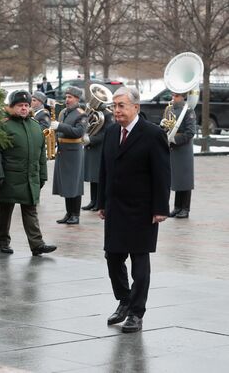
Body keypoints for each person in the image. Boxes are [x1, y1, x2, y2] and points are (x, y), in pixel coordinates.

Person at [98, 86, 170, 333]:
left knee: (140, 263)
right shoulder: (110, 132)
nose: (116, 111)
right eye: (114, 106)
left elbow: (162, 174)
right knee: (113, 257)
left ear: (136, 107)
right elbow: (104, 170)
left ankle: (137, 313)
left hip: (142, 210)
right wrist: (101, 202)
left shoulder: (152, 134)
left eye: (121, 106)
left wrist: (161, 208)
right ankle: (125, 300)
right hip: (115, 208)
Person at [0, 90, 56, 256]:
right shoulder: (3, 125)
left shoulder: (35, 126)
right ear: (12, 106)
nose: (23, 108)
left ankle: (37, 244)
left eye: (26, 105)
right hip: (9, 177)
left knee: (30, 210)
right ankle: (2, 241)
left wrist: (43, 175)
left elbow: (40, 155)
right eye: (19, 105)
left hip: (30, 177)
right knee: (5, 210)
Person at [51, 86, 87, 225]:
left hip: (74, 153)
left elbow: (78, 132)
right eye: (66, 97)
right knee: (66, 184)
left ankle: (75, 215)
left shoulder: (81, 114)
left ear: (77, 99)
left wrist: (59, 127)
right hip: (63, 151)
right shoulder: (63, 113)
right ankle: (68, 213)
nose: (67, 100)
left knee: (74, 185)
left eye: (70, 97)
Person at [163, 92, 195, 218]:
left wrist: (174, 139)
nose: (173, 98)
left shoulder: (188, 111)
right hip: (173, 149)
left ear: (183, 97)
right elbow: (166, 126)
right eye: (173, 96)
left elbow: (190, 132)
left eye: (176, 96)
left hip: (183, 149)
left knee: (185, 179)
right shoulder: (170, 109)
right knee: (177, 179)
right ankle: (177, 207)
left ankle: (185, 208)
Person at [82, 104, 114, 211]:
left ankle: (100, 203)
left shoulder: (108, 115)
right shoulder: (93, 112)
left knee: (98, 177)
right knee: (92, 177)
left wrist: (91, 139)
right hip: (91, 147)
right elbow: (88, 125)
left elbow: (106, 133)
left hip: (100, 148)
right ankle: (93, 201)